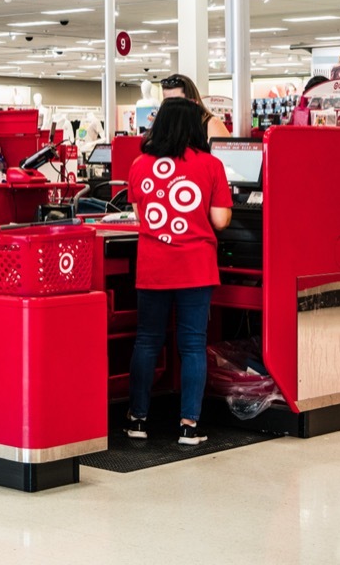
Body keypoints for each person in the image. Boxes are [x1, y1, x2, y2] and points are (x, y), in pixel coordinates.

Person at [125, 97, 232, 445]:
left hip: (154, 266)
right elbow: (220, 219)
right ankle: (189, 425)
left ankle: (137, 419)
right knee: (192, 345)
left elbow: (140, 216)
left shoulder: (140, 163)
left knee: (147, 342)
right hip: (196, 267)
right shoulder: (211, 165)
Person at [159, 74, 230, 138]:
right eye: (168, 102)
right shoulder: (166, 126)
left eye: (178, 102)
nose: (172, 107)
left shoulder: (211, 123)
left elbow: (222, 151)